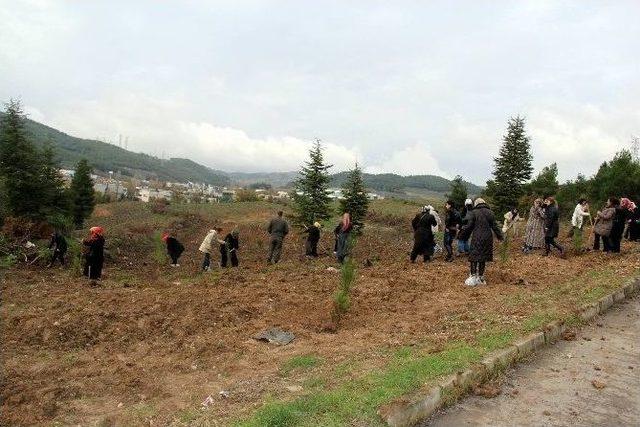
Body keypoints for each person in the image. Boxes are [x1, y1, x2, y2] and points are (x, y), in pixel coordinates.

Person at [458, 198, 503, 286]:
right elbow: (495, 226)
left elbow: (469, 226)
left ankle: (473, 276)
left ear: (476, 204)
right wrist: (500, 236)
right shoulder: (490, 212)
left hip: (477, 236)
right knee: (483, 257)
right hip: (487, 237)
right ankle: (481, 277)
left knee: (474, 256)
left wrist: (461, 234)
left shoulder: (474, 212)